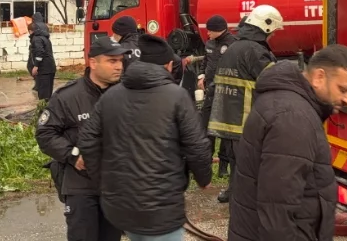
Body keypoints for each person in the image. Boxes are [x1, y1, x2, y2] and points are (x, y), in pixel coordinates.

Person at [78, 34, 212, 241]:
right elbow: (196, 145)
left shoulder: (111, 96)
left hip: (121, 206)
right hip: (161, 208)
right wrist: (204, 178)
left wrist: (103, 181)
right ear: (168, 65)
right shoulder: (176, 96)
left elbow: (88, 140)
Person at [228, 44, 347, 241]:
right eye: (343, 89)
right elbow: (277, 211)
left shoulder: (288, 104)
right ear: (319, 77)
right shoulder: (293, 118)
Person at [35, 37, 129, 241]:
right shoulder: (68, 97)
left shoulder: (127, 94)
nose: (119, 66)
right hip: (81, 186)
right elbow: (45, 133)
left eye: (121, 61)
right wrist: (73, 155)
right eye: (112, 61)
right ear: (93, 63)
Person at [208, 4, 282, 203]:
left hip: (228, 119)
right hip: (247, 120)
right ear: (265, 28)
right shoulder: (255, 52)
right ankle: (247, 198)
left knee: (236, 161)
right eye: (273, 32)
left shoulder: (234, 48)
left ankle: (233, 192)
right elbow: (275, 83)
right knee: (250, 165)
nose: (273, 36)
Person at [198, 14, 237, 177]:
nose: (207, 34)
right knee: (206, 128)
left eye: (210, 31)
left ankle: (223, 167)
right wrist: (201, 75)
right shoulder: (210, 43)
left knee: (225, 133)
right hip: (210, 92)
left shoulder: (233, 44)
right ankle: (205, 165)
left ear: (218, 30)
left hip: (225, 93)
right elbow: (206, 62)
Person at [28, 12, 57, 102]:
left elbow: (40, 52)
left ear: (30, 31)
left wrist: (36, 66)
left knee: (43, 97)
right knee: (48, 94)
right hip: (50, 68)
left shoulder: (36, 39)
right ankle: (48, 111)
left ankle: (43, 112)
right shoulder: (45, 37)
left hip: (44, 70)